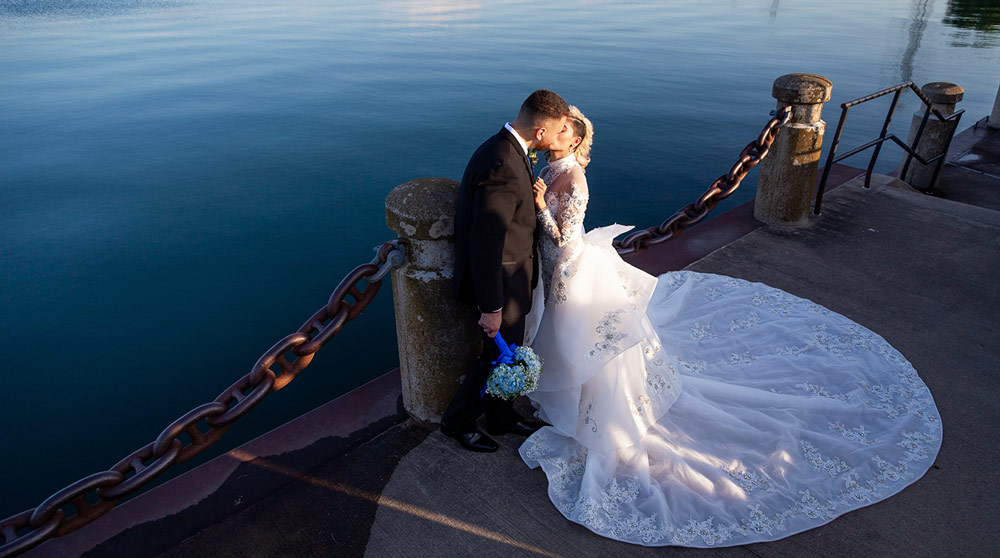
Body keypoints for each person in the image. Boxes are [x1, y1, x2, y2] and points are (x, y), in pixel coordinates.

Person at [519, 106, 942, 547]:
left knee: (584, 342)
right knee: (568, 337)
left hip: (570, 267)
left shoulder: (572, 179)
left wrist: (537, 206)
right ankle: (560, 402)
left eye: (567, 129)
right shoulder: (551, 167)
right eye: (557, 126)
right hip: (559, 270)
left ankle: (587, 413)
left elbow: (565, 237)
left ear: (575, 139)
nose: (557, 133)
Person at [441, 90, 570, 453]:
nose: (560, 137)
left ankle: (501, 416)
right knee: (495, 357)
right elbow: (486, 242)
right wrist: (491, 308)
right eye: (558, 130)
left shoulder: (507, 149)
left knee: (510, 351)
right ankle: (457, 423)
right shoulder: (501, 164)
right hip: (499, 286)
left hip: (511, 280)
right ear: (541, 132)